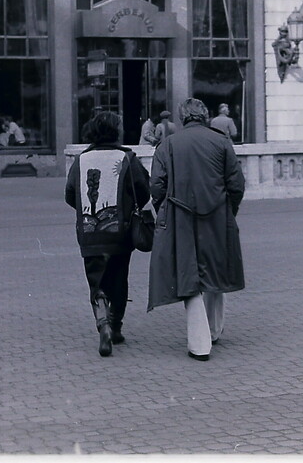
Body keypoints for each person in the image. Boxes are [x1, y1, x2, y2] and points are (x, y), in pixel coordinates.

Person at [148, 98, 245, 361]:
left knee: (188, 275)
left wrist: (163, 209)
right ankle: (214, 331)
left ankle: (200, 344)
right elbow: (236, 184)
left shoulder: (168, 144)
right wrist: (228, 211)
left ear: (182, 118)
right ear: (205, 116)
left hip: (181, 215)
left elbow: (157, 185)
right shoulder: (222, 141)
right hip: (217, 214)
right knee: (215, 270)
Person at [65, 111, 150, 357]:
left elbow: (70, 194)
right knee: (119, 279)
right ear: (116, 131)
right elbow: (143, 189)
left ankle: (102, 323)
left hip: (89, 233)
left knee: (97, 281)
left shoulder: (81, 160)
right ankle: (116, 326)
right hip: (119, 232)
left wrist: (86, 213)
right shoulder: (126, 157)